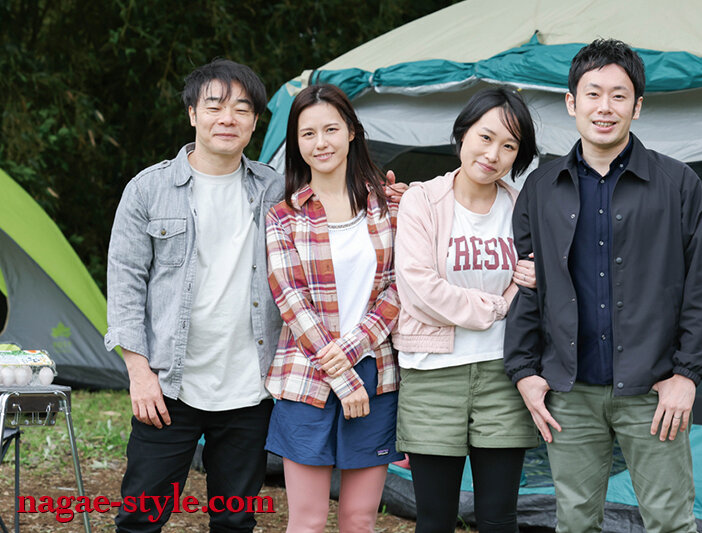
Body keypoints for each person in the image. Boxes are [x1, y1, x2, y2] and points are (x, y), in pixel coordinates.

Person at [504, 39, 702, 532]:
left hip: (654, 390)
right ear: (572, 103)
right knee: (575, 522)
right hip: (569, 392)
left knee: (670, 522)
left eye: (619, 95)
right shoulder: (541, 188)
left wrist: (687, 376)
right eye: (593, 93)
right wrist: (523, 371)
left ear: (637, 107)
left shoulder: (677, 183)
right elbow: (527, 284)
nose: (605, 107)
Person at [106, 59, 284, 531]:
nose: (227, 118)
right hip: (169, 386)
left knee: (234, 522)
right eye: (214, 106)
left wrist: (391, 196)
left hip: (249, 388)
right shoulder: (148, 189)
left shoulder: (276, 189)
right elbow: (124, 284)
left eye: (241, 109)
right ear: (192, 114)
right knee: (140, 518)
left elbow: (337, 214)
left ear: (255, 122)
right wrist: (139, 373)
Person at [392, 87, 540, 533]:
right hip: (432, 374)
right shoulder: (422, 200)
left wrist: (530, 283)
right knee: (435, 520)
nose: (493, 154)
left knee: (499, 518)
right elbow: (419, 289)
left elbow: (533, 281)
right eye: (485, 137)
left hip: (503, 374)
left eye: (509, 146)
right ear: (463, 134)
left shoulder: (523, 207)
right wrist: (495, 306)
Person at [264, 83, 403, 533]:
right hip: (306, 377)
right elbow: (291, 302)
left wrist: (353, 355)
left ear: (352, 132)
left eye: (331, 129)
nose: (320, 143)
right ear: (296, 142)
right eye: (308, 134)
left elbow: (398, 289)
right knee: (307, 521)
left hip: (376, 375)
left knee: (359, 519)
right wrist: (343, 377)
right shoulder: (283, 216)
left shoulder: (389, 207)